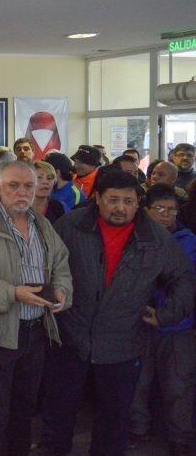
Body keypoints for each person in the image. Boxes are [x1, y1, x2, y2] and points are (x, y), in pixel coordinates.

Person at [38, 171, 195, 456]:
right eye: (112, 200)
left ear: (138, 203)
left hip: (122, 342)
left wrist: (166, 315)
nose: (120, 208)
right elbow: (44, 264)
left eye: (128, 201)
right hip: (71, 337)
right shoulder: (72, 226)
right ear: (97, 198)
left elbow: (184, 278)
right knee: (59, 409)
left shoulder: (156, 238)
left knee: (114, 418)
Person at [0, 160, 72, 456]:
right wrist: (13, 293)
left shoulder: (41, 224)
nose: (22, 192)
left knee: (24, 410)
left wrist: (62, 290)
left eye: (28, 186)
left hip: (36, 333)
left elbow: (61, 264)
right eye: (13, 186)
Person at [128, 184, 196, 455]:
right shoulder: (134, 237)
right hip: (139, 321)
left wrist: (168, 314)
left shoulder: (188, 241)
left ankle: (180, 438)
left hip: (177, 326)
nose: (166, 215)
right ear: (146, 211)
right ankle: (136, 429)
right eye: (160, 209)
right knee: (137, 382)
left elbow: (188, 284)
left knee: (179, 385)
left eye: (171, 210)